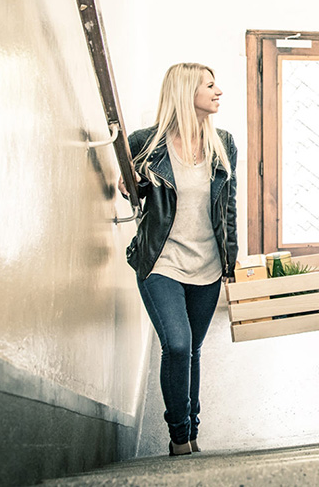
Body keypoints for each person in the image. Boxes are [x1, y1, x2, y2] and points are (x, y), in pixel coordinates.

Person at [120, 62, 237, 456]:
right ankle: (179, 436)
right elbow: (129, 185)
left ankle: (193, 430)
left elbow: (228, 208)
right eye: (210, 85)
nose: (218, 91)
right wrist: (126, 183)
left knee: (193, 351)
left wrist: (229, 262)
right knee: (178, 344)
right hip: (161, 263)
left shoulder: (223, 142)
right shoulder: (145, 143)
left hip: (206, 266)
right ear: (187, 93)